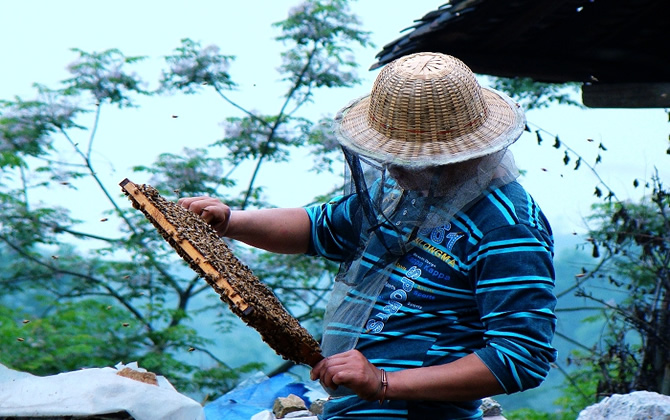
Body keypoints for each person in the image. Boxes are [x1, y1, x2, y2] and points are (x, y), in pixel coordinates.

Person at [179, 52, 557, 420]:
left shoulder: (508, 227)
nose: (393, 168)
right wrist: (230, 222)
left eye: (409, 158)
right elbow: (317, 226)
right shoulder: (401, 198)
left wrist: (383, 381)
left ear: (457, 154)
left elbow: (521, 356)